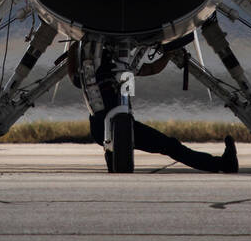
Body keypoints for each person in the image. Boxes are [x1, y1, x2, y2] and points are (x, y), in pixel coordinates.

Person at [70, 44, 238, 173]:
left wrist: (74, 46)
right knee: (170, 146)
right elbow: (151, 68)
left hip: (108, 128)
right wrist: (169, 53)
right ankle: (223, 164)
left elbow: (151, 68)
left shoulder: (100, 72)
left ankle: (114, 159)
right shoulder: (104, 72)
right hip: (118, 127)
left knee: (169, 146)